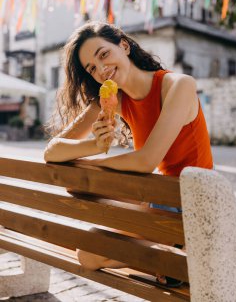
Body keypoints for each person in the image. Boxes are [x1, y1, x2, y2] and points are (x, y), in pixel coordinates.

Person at [44, 20, 213, 287]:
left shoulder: (178, 85)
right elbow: (52, 151)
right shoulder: (113, 98)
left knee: (89, 235)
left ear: (124, 45)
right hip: (158, 200)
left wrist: (96, 164)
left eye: (104, 54)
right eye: (92, 68)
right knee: (87, 253)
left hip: (192, 207)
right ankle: (171, 259)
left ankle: (175, 256)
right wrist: (96, 145)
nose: (101, 69)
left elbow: (146, 160)